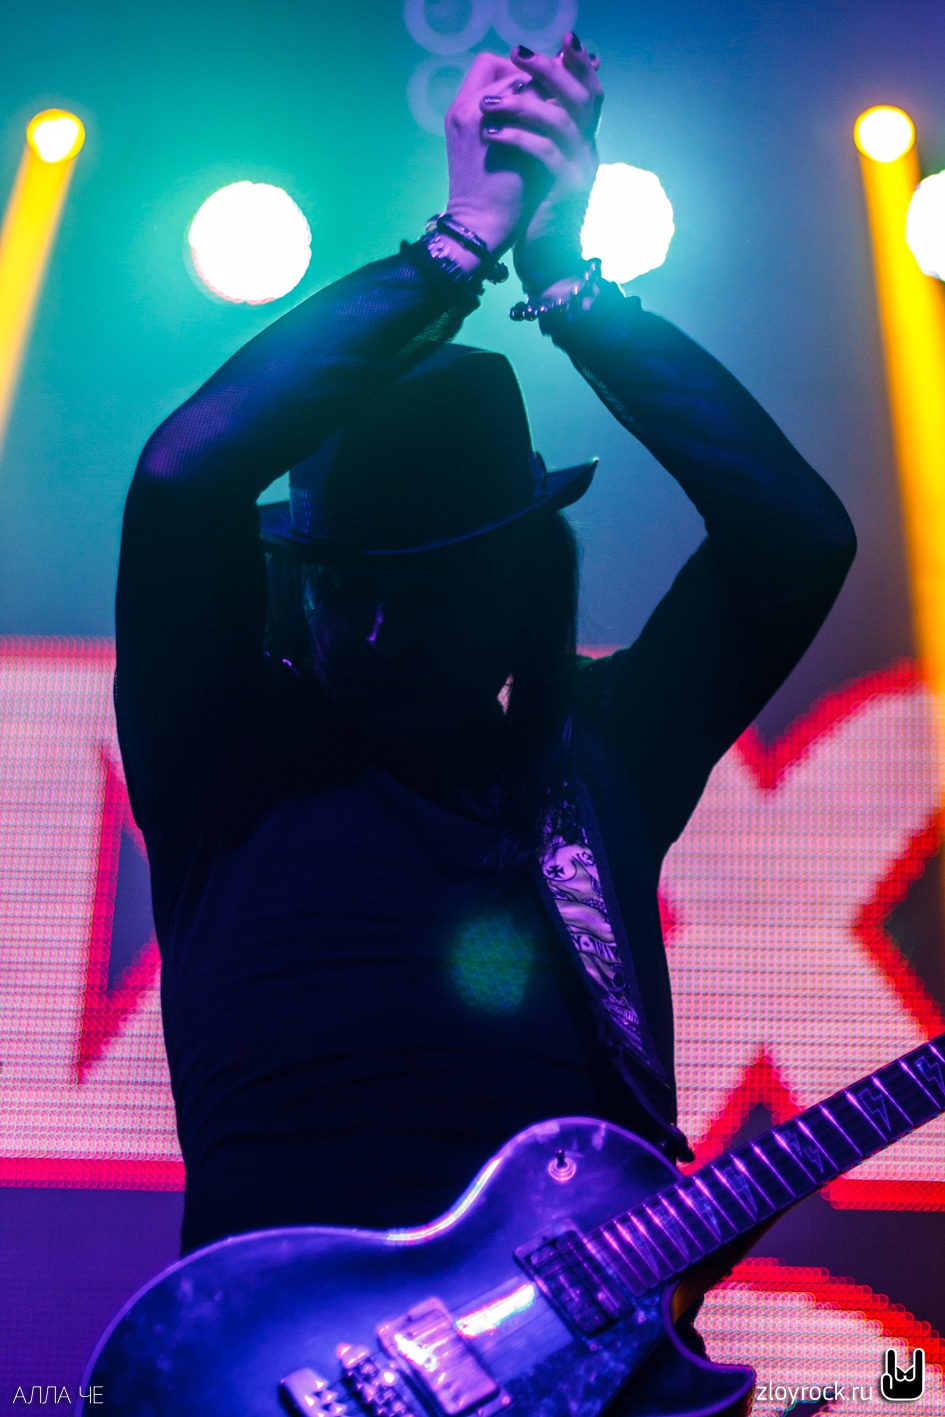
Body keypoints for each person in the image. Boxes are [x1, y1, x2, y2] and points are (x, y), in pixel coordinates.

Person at [115, 35, 855, 1265]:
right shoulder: (225, 757)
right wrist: (457, 248)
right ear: (297, 583)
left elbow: (797, 535)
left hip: (585, 1359)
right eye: (346, 585)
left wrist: (571, 285)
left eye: (435, 590)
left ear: (518, 594)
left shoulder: (596, 765)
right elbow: (186, 473)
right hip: (283, 1356)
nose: (380, 629)